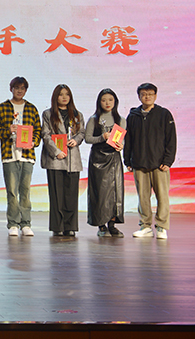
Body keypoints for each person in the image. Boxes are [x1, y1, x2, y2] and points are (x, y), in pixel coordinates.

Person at [124, 83, 177, 240]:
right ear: (139, 96)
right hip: (139, 163)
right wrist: (127, 160)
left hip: (159, 164)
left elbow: (171, 139)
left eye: (150, 94)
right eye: (144, 94)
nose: (147, 96)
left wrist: (168, 160)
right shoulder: (133, 116)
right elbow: (128, 140)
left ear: (155, 95)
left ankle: (161, 226)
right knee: (143, 197)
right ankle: (145, 226)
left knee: (162, 197)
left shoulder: (164, 114)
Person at [0, 77, 41, 237]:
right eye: (16, 87)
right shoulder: (3, 108)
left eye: (22, 88)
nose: (19, 91)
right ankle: (13, 224)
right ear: (11, 88)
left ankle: (26, 224)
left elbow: (38, 130)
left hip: (27, 155)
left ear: (26, 90)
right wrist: (8, 130)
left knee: (25, 191)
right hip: (9, 155)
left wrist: (34, 142)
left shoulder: (31, 108)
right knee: (12, 191)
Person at [40, 84, 85, 237]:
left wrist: (76, 140)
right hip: (55, 160)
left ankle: (70, 226)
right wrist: (56, 151)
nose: (64, 97)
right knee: (56, 195)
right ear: (55, 97)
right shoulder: (48, 114)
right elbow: (45, 134)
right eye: (61, 94)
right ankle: (57, 226)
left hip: (72, 158)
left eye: (67, 94)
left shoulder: (77, 114)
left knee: (71, 195)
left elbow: (82, 132)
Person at [85, 88, 127, 238]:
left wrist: (121, 146)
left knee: (115, 192)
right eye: (104, 100)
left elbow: (122, 140)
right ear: (99, 102)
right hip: (98, 159)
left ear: (115, 101)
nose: (107, 103)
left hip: (114, 158)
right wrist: (102, 137)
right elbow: (87, 139)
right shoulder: (93, 119)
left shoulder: (121, 120)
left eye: (110, 100)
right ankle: (101, 225)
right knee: (100, 192)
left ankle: (112, 224)